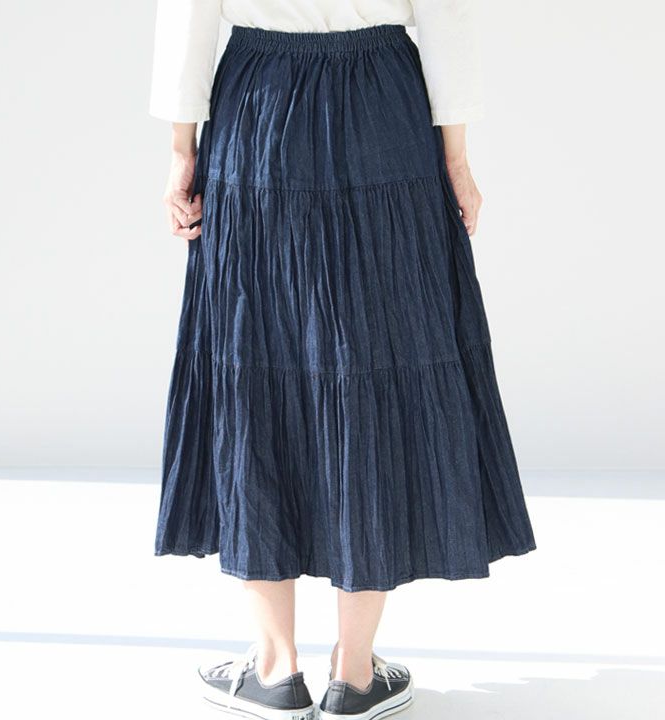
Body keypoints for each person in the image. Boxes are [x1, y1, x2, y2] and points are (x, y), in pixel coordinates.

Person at [148, 2, 537, 719]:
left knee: (253, 361)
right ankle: (354, 674)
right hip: (385, 108)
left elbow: (190, 14)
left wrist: (182, 149)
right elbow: (446, 17)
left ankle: (274, 669)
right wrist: (456, 158)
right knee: (376, 359)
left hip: (260, 103)